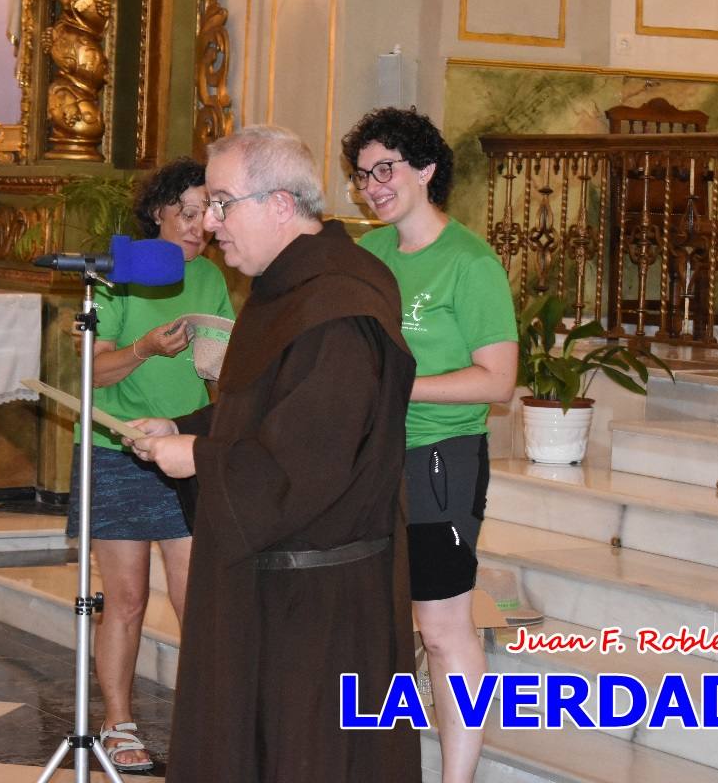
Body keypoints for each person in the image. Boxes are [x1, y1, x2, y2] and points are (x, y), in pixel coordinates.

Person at [129, 125, 421, 782]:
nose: (209, 224)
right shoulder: (288, 285)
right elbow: (262, 410)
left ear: (281, 204)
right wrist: (178, 425)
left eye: (223, 204)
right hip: (273, 589)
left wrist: (199, 456)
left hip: (317, 607)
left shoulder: (338, 307)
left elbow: (307, 461)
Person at [342, 107, 517, 783]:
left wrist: (398, 387)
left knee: (442, 630)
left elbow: (498, 381)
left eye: (385, 170)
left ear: (426, 169)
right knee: (377, 624)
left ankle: (457, 777)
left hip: (442, 461)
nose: (372, 187)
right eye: (362, 176)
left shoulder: (470, 262)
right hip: (372, 461)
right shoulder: (371, 255)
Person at [65, 157, 234, 772]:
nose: (199, 226)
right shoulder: (121, 273)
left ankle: (204, 719)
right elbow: (91, 369)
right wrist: (142, 348)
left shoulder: (212, 278)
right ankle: (118, 723)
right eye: (186, 212)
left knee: (201, 601)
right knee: (127, 599)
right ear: (157, 212)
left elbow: (222, 371)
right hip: (116, 450)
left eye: (208, 213)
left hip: (185, 453)